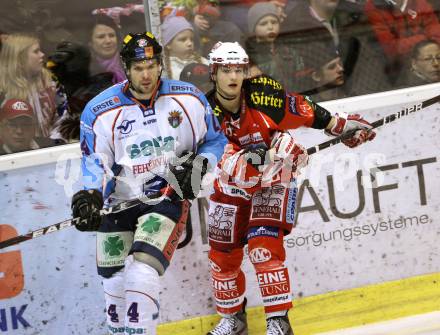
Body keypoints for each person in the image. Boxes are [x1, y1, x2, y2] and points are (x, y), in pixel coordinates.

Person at [205, 41, 376, 335]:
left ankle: (278, 322)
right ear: (214, 73)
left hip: (274, 179)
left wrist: (343, 126)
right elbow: (213, 158)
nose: (233, 76)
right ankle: (233, 320)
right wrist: (255, 156)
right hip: (233, 184)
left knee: (263, 248)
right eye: (225, 70)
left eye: (238, 69)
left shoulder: (263, 94)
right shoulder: (203, 111)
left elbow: (306, 111)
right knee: (222, 256)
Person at [70, 32, 227, 334]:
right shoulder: (100, 111)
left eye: (152, 65)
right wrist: (89, 194)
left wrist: (198, 166)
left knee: (142, 272)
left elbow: (215, 140)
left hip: (165, 200)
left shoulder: (188, 98)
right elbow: (94, 161)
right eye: (139, 67)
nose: (147, 74)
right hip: (118, 203)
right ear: (126, 68)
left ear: (160, 65)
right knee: (114, 281)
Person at [0, 33, 68, 142]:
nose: (42, 55)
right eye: (36, 51)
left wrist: (53, 143)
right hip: (14, 153)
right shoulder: (3, 91)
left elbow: (63, 117)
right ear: (20, 59)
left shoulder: (51, 82)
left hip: (51, 149)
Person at [364, 0, 440, 83]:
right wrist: (424, 37)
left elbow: (437, 36)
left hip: (430, 59)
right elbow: (391, 47)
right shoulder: (374, 6)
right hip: (399, 70)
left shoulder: (419, 2)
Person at [245, 2, 299, 87]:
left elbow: (300, 77)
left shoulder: (288, 51)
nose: (270, 27)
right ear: (253, 29)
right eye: (263, 24)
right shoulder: (251, 57)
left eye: (274, 22)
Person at [161, 14, 209, 80]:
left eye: (191, 39)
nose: (189, 43)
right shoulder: (162, 68)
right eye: (183, 39)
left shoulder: (203, 62)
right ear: (168, 44)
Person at [87, 14, 126, 84]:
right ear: (90, 43)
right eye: (101, 37)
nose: (108, 41)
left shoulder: (130, 62)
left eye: (111, 35)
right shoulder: (86, 70)